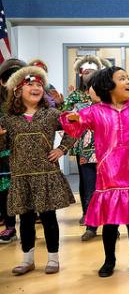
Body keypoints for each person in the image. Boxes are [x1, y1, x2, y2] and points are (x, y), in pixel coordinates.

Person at [61, 66, 129, 278]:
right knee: (110, 222)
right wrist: (72, 118)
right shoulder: (96, 111)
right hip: (108, 177)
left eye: (128, 78)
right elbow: (75, 123)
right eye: (122, 79)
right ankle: (109, 259)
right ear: (108, 86)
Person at [0, 66, 76, 275]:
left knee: (49, 218)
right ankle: (28, 259)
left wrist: (61, 149)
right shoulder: (8, 118)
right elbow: (2, 147)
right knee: (25, 220)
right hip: (21, 176)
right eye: (30, 84)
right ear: (17, 90)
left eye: (39, 85)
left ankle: (53, 258)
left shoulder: (51, 114)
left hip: (46, 175)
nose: (36, 88)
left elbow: (74, 129)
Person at [63, 54, 103, 226]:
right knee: (86, 181)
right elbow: (64, 115)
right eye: (85, 71)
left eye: (92, 71)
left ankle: (105, 215)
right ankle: (87, 213)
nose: (88, 74)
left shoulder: (106, 96)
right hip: (84, 146)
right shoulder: (75, 97)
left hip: (103, 146)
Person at [0, 58, 26, 245]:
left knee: (25, 190)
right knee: (4, 190)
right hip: (3, 153)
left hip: (24, 153)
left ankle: (28, 226)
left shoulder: (30, 97)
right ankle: (9, 225)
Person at [73, 71, 101, 241]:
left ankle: (112, 225)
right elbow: (72, 130)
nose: (97, 90)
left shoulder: (115, 107)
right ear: (87, 89)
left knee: (109, 192)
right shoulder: (81, 107)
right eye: (93, 87)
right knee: (90, 191)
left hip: (110, 157)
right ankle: (91, 226)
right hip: (87, 156)